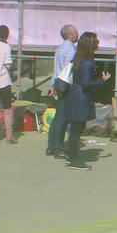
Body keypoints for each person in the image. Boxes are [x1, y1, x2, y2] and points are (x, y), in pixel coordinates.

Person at [61, 32, 110, 171]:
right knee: (77, 129)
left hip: (74, 94)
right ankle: (74, 160)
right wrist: (102, 81)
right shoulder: (88, 62)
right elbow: (86, 83)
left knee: (75, 128)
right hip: (81, 97)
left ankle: (72, 157)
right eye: (96, 41)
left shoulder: (78, 57)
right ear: (91, 44)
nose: (98, 43)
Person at [46, 24, 79, 157]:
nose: (78, 34)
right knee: (63, 117)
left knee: (58, 116)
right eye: (76, 32)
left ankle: (51, 145)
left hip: (60, 84)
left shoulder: (60, 48)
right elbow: (68, 69)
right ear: (70, 35)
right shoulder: (71, 50)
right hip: (67, 86)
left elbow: (56, 69)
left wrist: (53, 85)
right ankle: (58, 147)